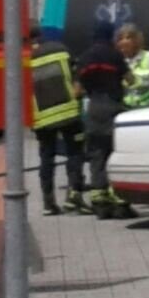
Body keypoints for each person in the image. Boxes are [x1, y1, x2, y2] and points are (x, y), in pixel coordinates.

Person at [74, 20, 138, 220]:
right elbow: (131, 80)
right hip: (113, 107)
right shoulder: (115, 55)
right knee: (115, 154)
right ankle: (120, 204)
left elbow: (76, 91)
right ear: (110, 36)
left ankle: (100, 204)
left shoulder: (84, 58)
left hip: (93, 109)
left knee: (96, 156)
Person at [30, 35, 88, 216]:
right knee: (75, 153)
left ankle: (48, 203)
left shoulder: (24, 56)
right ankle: (74, 196)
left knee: (46, 158)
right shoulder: (60, 48)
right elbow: (78, 75)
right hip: (68, 112)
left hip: (42, 117)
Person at [116, 24, 149, 108]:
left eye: (128, 38)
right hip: (125, 109)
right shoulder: (117, 60)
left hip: (146, 108)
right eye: (120, 39)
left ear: (136, 40)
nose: (124, 41)